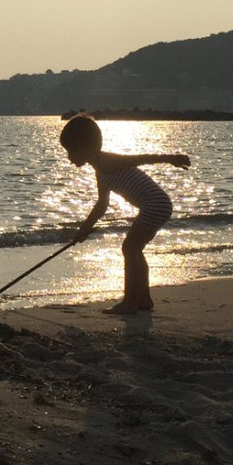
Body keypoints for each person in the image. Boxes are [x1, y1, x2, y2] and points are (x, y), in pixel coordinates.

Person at [59, 114, 190, 315]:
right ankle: (143, 300)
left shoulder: (105, 160)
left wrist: (170, 158)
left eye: (70, 151)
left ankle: (130, 302)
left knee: (130, 248)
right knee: (135, 249)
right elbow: (102, 206)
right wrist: (83, 230)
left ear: (81, 146)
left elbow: (141, 159)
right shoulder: (100, 171)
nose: (69, 158)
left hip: (155, 204)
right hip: (157, 205)